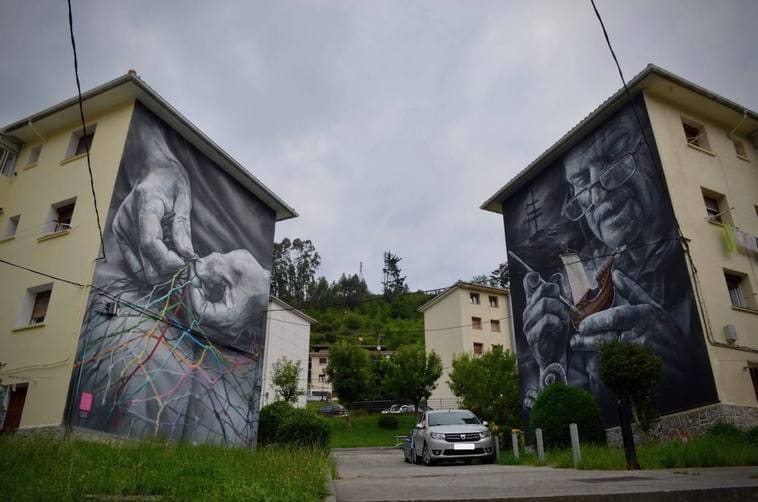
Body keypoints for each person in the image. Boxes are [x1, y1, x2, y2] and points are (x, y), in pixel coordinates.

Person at [520, 105, 710, 416]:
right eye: (581, 180)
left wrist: (687, 369)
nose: (597, 191)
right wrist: (549, 361)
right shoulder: (589, 295)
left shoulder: (692, 265)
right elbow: (574, 415)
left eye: (613, 157)